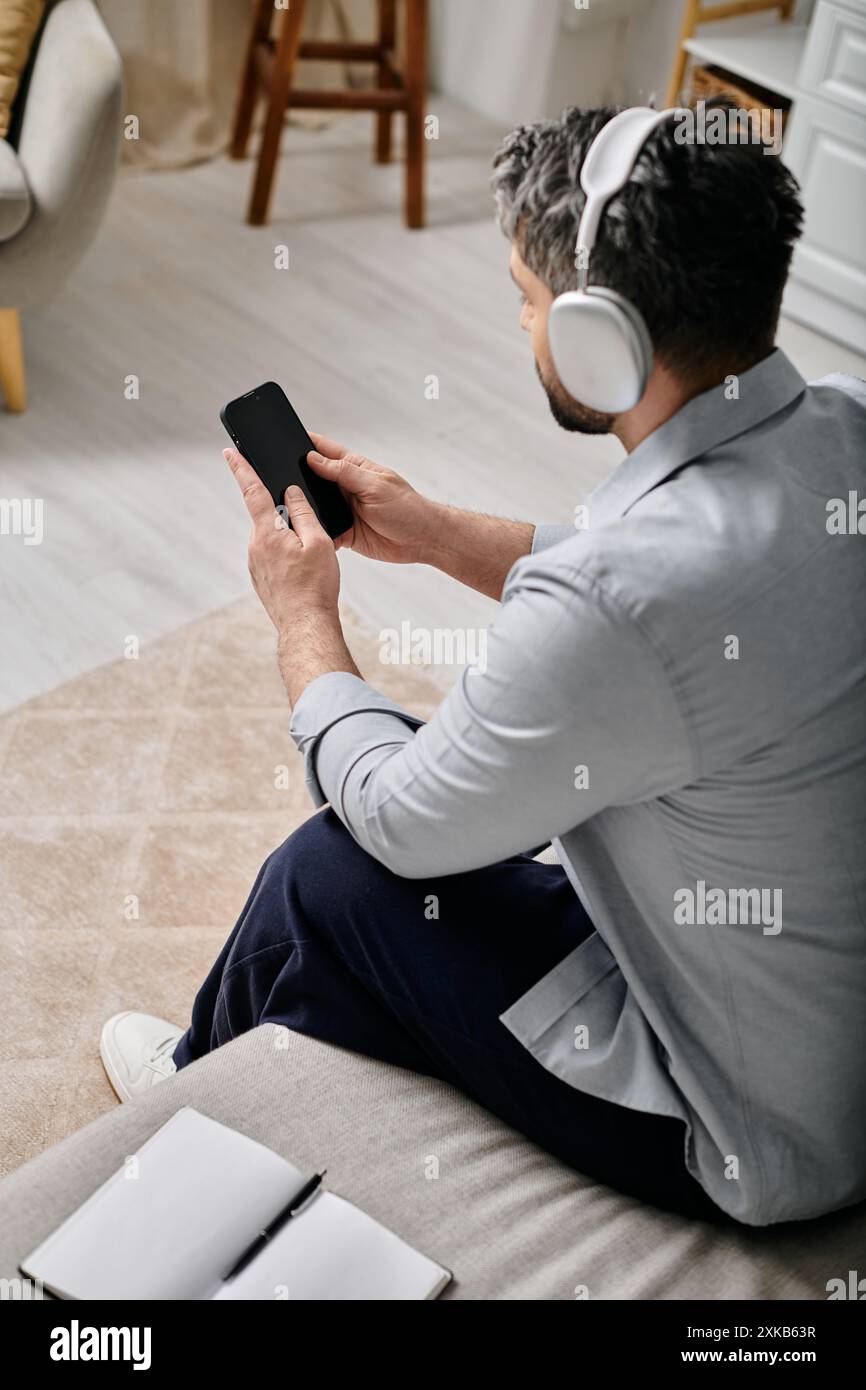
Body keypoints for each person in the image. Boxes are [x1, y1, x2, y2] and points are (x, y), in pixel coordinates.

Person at [100, 105, 866, 1227]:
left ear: (600, 336)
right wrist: (436, 529)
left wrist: (302, 622)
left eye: (525, 294)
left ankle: (185, 1084)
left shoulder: (617, 599)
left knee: (327, 869)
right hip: (822, 1031)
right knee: (455, 784)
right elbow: (668, 610)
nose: (518, 319)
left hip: (754, 1136)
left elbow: (402, 823)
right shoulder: (839, 436)